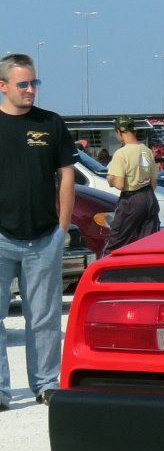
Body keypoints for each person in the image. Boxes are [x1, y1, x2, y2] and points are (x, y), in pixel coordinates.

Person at [0, 53, 76, 408]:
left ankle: (46, 384)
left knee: (44, 318)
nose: (31, 90)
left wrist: (61, 228)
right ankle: (1, 390)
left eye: (34, 83)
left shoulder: (51, 124)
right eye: (23, 84)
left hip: (44, 237)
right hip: (1, 238)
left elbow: (67, 175)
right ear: (3, 86)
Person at [101, 116, 161, 258]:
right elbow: (154, 184)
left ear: (119, 132)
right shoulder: (146, 151)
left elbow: (120, 184)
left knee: (116, 241)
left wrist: (110, 179)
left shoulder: (121, 154)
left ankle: (105, 273)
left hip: (131, 200)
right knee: (146, 243)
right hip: (149, 198)